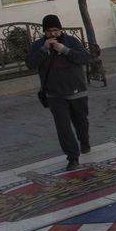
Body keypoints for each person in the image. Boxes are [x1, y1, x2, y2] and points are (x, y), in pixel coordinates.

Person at [27, 14, 91, 170]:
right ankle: (72, 157)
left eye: (55, 30)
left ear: (60, 29)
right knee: (63, 128)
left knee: (81, 122)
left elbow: (84, 58)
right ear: (44, 32)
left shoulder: (71, 41)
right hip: (54, 94)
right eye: (49, 31)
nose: (53, 34)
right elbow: (30, 63)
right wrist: (44, 50)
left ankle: (84, 141)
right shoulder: (38, 46)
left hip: (77, 91)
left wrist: (65, 50)